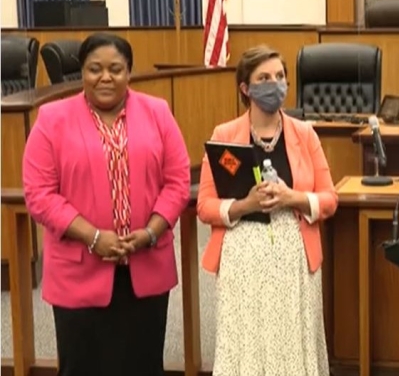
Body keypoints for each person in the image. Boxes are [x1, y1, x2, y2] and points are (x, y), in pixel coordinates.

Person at [22, 32, 191, 376]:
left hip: (146, 265)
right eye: (94, 69)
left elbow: (177, 182)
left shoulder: (157, 112)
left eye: (115, 68)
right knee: (83, 366)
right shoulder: (52, 119)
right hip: (78, 271)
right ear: (81, 73)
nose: (105, 77)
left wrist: (149, 232)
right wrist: (94, 237)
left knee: (142, 365)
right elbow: (39, 194)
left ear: (129, 72)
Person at [197, 45, 338, 376]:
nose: (274, 84)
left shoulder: (304, 134)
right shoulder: (224, 135)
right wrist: (246, 205)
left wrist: (294, 198)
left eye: (280, 77)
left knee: (291, 344)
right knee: (248, 344)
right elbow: (204, 206)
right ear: (245, 88)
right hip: (242, 257)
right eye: (264, 78)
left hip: (293, 256)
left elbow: (329, 198)